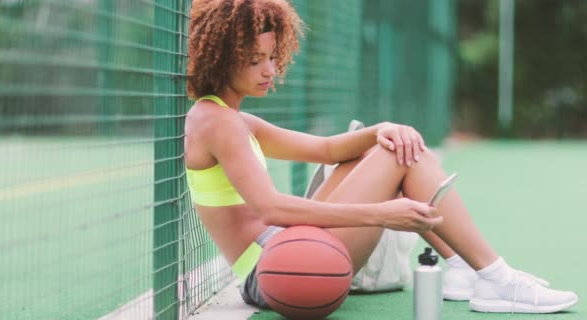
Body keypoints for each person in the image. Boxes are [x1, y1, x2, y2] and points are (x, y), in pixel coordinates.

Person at [185, 0, 578, 314]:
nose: (269, 70)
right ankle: (492, 275)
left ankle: (464, 267)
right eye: (254, 60)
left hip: (288, 250)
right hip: (276, 269)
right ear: (220, 57)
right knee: (401, 157)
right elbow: (270, 209)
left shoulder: (234, 118)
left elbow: (326, 150)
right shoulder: (216, 122)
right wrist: (381, 213)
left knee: (392, 145)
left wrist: (382, 129)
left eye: (272, 57)